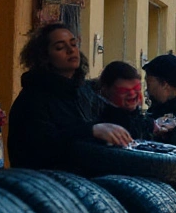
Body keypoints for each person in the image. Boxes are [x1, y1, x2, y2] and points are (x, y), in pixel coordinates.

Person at [7, 24, 131, 169]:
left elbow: (109, 115)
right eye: (60, 47)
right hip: (45, 184)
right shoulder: (33, 98)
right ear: (44, 56)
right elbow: (41, 145)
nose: (71, 50)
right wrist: (91, 130)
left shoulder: (82, 90)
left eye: (73, 44)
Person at [96, 61, 153, 140]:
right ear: (106, 91)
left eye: (136, 89)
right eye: (123, 91)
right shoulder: (102, 122)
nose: (132, 94)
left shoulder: (143, 121)